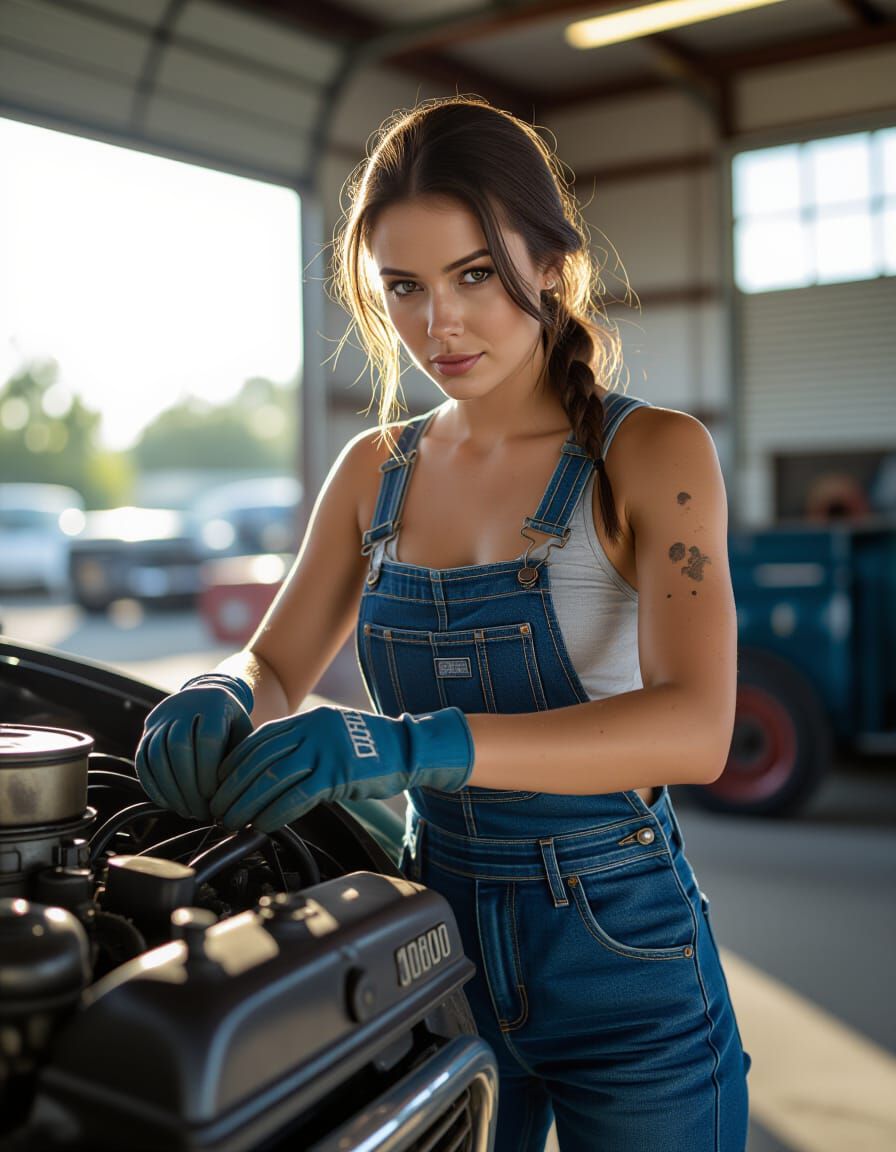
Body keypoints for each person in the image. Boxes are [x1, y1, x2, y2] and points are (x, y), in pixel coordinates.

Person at [136, 96, 751, 1151]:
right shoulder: (373, 469)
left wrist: (408, 744)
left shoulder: (652, 455)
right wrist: (221, 689)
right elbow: (277, 660)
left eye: (474, 275)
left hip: (620, 947)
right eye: (405, 287)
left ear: (549, 263)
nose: (439, 325)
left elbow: (696, 730)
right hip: (428, 933)